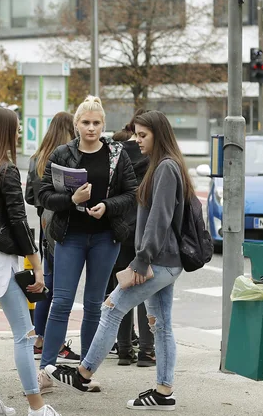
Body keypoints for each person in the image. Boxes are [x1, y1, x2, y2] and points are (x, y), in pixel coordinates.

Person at [45, 110, 193, 411]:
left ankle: (83, 374)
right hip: (167, 260)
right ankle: (164, 392)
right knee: (161, 325)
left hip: (158, 260)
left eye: (142, 135)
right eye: (136, 134)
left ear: (158, 135)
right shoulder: (167, 165)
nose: (136, 140)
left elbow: (159, 219)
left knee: (111, 307)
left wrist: (141, 259)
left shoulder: (165, 167)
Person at [0, 107, 60, 416]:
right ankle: (37, 407)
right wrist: (37, 265)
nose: (17, 133)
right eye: (15, 129)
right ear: (4, 131)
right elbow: (18, 222)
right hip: (1, 262)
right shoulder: (4, 170)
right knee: (24, 335)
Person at [36, 95, 138, 382]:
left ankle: (85, 372)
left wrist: (107, 206)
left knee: (94, 304)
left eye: (96, 123)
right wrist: (72, 199)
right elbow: (42, 195)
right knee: (62, 302)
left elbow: (131, 194)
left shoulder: (117, 153)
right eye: (85, 122)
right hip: (71, 236)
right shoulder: (62, 153)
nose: (91, 128)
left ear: (103, 124)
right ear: (76, 124)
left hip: (106, 237)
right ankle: (46, 370)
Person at [24, 112, 81, 366]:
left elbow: (28, 195)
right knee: (60, 287)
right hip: (63, 223)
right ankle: (56, 343)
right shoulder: (68, 157)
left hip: (43, 222)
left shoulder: (37, 157)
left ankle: (39, 339)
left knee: (47, 281)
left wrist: (42, 203)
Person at [106, 110, 153, 366]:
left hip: (120, 227)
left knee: (122, 286)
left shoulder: (116, 152)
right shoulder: (154, 155)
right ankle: (147, 351)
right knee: (147, 288)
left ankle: (124, 349)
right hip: (146, 229)